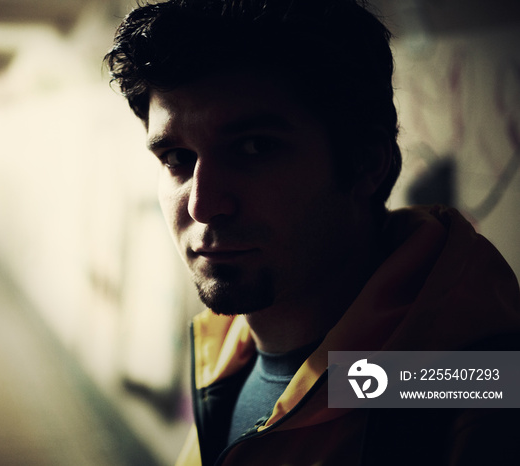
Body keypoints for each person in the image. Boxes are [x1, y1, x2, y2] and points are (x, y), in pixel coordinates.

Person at [105, 0, 520, 464]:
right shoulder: (224, 350)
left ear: (366, 162)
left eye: (254, 148)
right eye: (177, 158)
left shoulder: (476, 389)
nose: (203, 205)